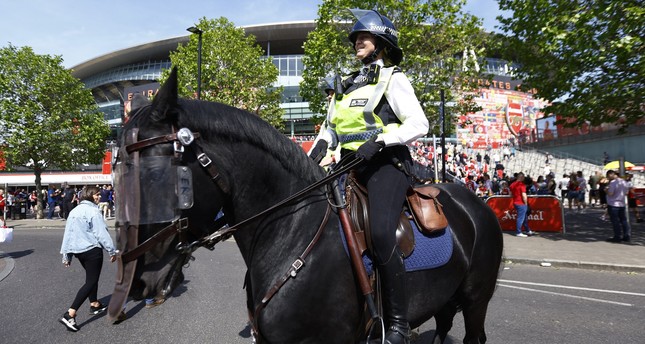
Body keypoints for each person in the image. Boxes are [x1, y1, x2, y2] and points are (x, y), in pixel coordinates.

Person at [308, 9, 429, 343]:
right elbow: (328, 132)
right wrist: (310, 158)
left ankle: (399, 325)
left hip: (386, 165)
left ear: (381, 43)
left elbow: (419, 124)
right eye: (356, 38)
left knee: (378, 232)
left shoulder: (393, 78)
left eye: (364, 37)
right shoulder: (343, 85)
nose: (357, 42)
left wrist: (380, 141)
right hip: (347, 166)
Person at [59, 186, 117, 332]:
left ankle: (94, 304)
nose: (98, 197)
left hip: (79, 251)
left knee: (92, 278)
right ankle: (70, 313)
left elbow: (69, 234)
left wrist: (67, 254)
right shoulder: (93, 211)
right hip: (92, 250)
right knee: (91, 281)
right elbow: (101, 233)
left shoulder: (74, 211)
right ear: (90, 195)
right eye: (97, 195)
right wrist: (111, 250)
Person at [604, 170, 632, 242]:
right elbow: (626, 192)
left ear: (611, 174)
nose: (608, 178)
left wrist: (606, 190)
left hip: (613, 204)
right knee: (623, 220)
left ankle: (617, 236)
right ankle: (626, 235)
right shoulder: (624, 182)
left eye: (608, 176)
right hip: (621, 204)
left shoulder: (613, 183)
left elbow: (610, 194)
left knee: (615, 221)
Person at [510, 172, 535, 237]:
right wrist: (526, 204)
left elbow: (510, 194)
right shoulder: (521, 185)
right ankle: (518, 232)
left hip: (515, 202)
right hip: (521, 203)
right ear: (521, 177)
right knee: (521, 218)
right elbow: (524, 195)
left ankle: (528, 230)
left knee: (524, 217)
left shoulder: (512, 184)